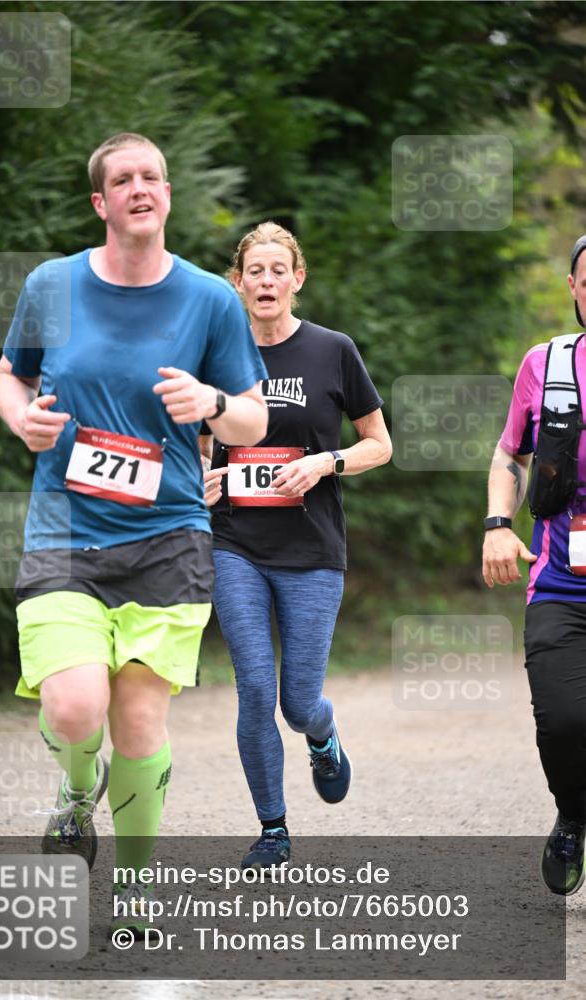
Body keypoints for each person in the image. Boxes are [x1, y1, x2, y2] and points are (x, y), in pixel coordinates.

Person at [0, 132, 268, 933]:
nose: (138, 187)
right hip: (65, 529)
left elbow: (253, 417)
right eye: (122, 179)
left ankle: (137, 888)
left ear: (168, 195)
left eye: (151, 176)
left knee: (139, 718)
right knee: (76, 708)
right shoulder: (53, 284)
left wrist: (212, 405)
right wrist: (25, 423)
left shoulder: (212, 300)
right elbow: (11, 374)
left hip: (171, 533)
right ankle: (77, 795)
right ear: (101, 203)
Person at [200, 222, 392, 868]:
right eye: (254, 270)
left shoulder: (331, 350)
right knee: (254, 688)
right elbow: (199, 442)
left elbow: (379, 442)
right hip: (236, 545)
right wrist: (203, 478)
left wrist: (325, 463)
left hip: (311, 551)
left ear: (296, 279)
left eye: (278, 269)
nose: (266, 281)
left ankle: (323, 733)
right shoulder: (218, 356)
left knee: (296, 702)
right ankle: (273, 828)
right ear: (237, 282)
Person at [482, 234, 586, 896]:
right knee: (564, 718)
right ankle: (572, 815)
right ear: (575, 289)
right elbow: (508, 456)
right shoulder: (544, 364)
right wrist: (496, 523)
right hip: (559, 582)